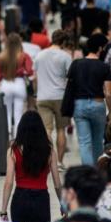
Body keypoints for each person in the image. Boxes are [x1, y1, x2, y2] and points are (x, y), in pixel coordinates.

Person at [0, 111, 62, 222]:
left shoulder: (13, 150)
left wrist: (3, 211)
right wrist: (63, 204)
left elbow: (8, 182)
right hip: (41, 199)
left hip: (20, 198)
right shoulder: (49, 150)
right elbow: (57, 183)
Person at [66, 35, 111, 165]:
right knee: (98, 142)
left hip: (79, 104)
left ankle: (88, 175)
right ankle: (97, 172)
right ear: (99, 48)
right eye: (104, 47)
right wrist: (109, 111)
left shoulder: (76, 64)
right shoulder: (104, 67)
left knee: (84, 143)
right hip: (98, 104)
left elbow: (69, 85)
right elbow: (108, 93)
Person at [34, 29, 72, 167]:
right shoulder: (66, 56)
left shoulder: (40, 55)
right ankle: (60, 162)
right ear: (63, 42)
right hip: (61, 97)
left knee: (47, 130)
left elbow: (35, 77)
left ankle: (48, 160)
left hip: (43, 97)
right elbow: (70, 78)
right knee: (61, 129)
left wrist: (35, 92)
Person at [0, 33, 34, 138]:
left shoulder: (1, 57)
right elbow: (30, 71)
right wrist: (21, 72)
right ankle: (17, 138)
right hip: (19, 84)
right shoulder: (24, 56)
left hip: (6, 84)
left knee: (6, 113)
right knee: (18, 114)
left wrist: (3, 74)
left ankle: (6, 137)